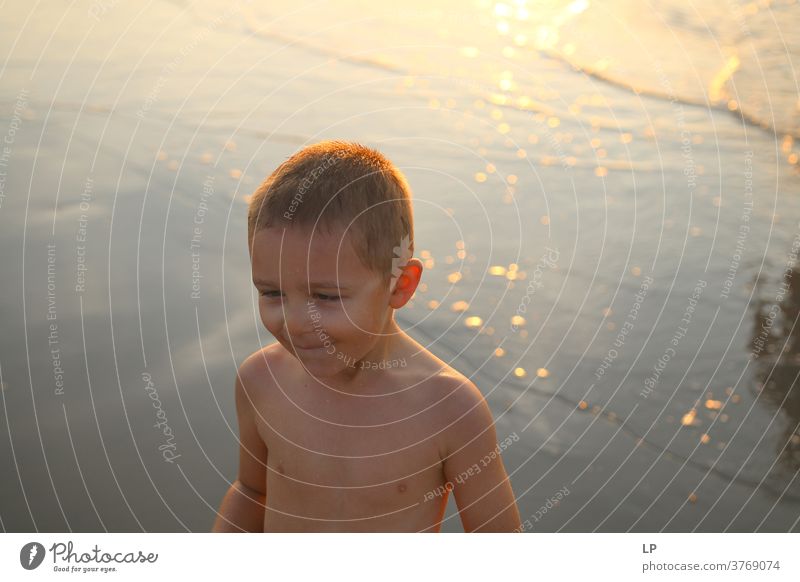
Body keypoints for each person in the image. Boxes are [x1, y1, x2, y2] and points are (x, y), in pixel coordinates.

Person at [212, 141, 521, 532]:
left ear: (399, 286)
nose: (293, 322)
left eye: (324, 297)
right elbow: (252, 491)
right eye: (272, 293)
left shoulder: (448, 409)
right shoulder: (260, 381)